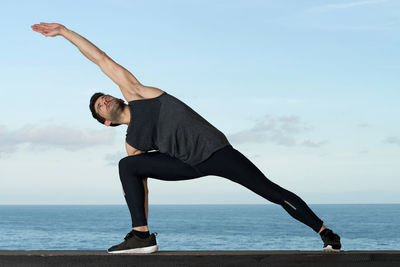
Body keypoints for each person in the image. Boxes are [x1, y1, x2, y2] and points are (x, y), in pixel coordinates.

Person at [31, 22, 342, 254]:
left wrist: (64, 32)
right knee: (128, 167)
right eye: (100, 106)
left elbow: (101, 59)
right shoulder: (132, 142)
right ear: (105, 122)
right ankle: (141, 236)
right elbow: (141, 187)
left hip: (216, 151)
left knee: (268, 189)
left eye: (105, 96)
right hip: (186, 164)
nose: (106, 100)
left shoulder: (139, 94)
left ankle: (325, 232)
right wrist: (143, 214)